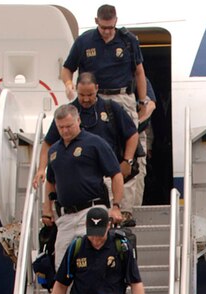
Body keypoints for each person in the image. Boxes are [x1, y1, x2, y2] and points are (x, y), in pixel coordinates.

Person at [62, 4, 149, 209]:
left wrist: (143, 101)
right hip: (93, 98)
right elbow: (67, 68)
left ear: (116, 22)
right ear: (96, 22)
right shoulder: (84, 41)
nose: (107, 31)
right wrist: (68, 85)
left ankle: (126, 206)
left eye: (110, 27)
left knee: (129, 149)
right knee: (94, 145)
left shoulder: (128, 41)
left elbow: (139, 72)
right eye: (103, 27)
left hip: (123, 96)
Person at [34, 72, 139, 204]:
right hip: (83, 175)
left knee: (115, 212)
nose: (85, 99)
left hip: (109, 171)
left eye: (90, 95)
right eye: (81, 95)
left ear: (97, 88)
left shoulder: (111, 107)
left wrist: (127, 160)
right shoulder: (69, 113)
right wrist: (41, 169)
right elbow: (48, 143)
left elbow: (132, 134)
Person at [43, 104, 125, 270]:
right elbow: (50, 181)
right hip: (65, 216)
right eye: (61, 128)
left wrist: (116, 206)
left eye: (69, 126)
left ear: (78, 120)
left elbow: (116, 175)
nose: (65, 131)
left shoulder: (95, 143)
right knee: (62, 266)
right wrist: (47, 210)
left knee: (92, 263)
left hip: (91, 211)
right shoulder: (53, 151)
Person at [48, 207, 146, 294]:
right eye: (92, 234)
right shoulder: (77, 246)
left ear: (108, 226)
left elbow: (136, 283)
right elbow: (60, 284)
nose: (95, 239)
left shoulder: (121, 246)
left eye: (99, 234)